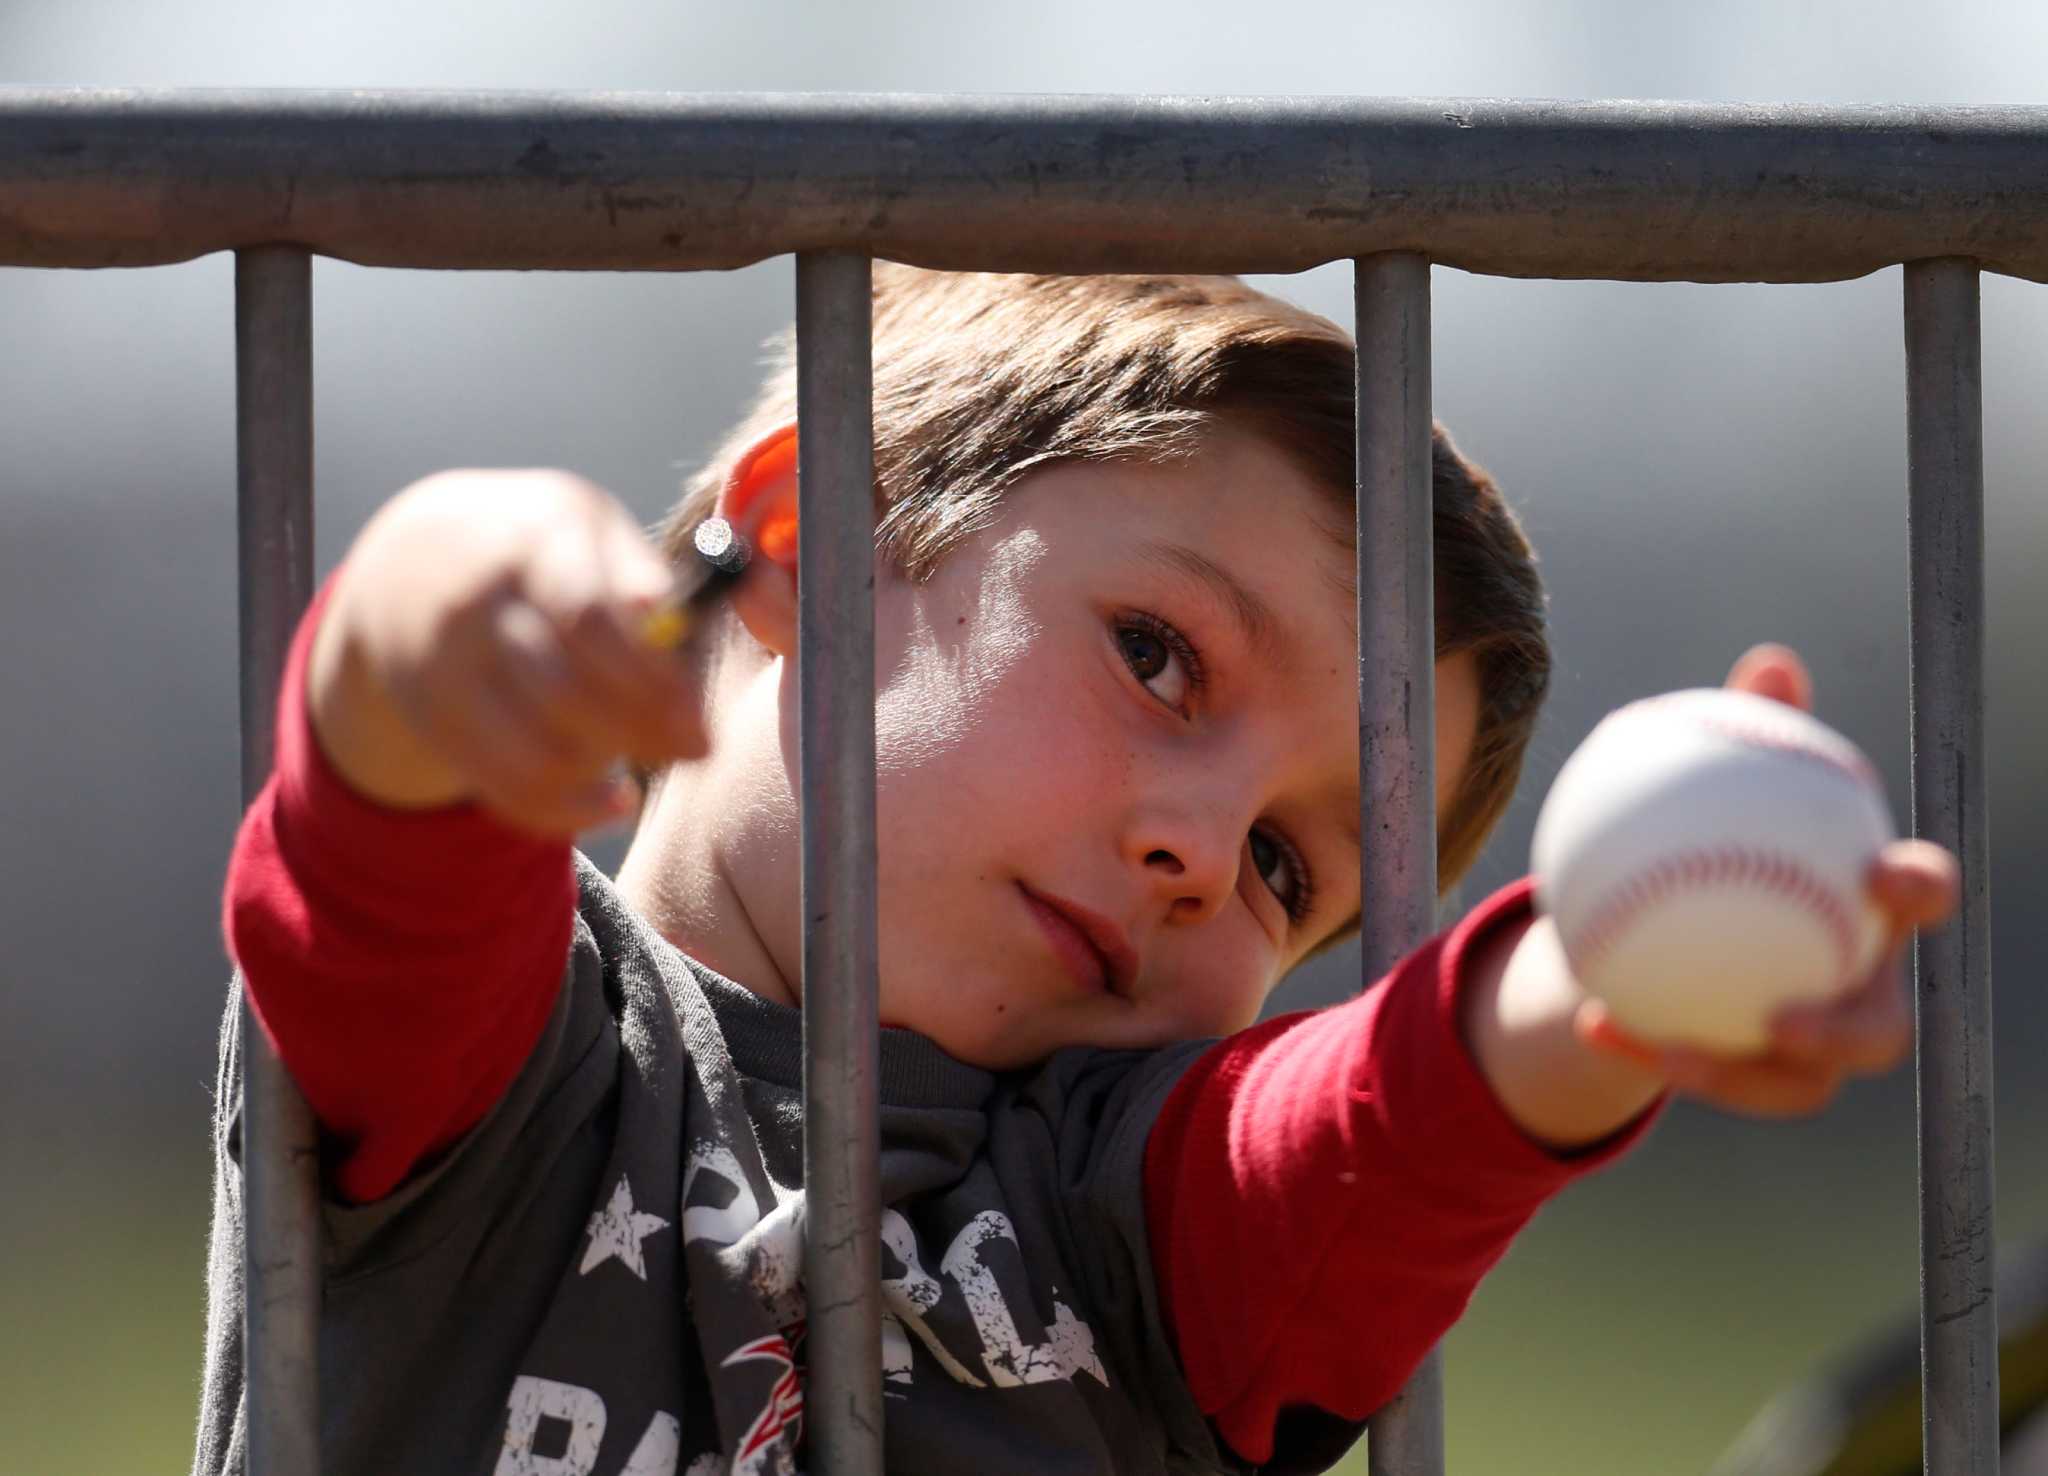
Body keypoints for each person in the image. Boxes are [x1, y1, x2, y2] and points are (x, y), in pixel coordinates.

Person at [193, 267, 1958, 1476]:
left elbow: (1381, 1121)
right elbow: (390, 813)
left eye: (1289, 864)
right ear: (806, 543)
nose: (1202, 851)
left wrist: (1600, 983)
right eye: (1161, 656)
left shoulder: (1130, 1234)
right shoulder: (515, 1065)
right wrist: (479, 590)